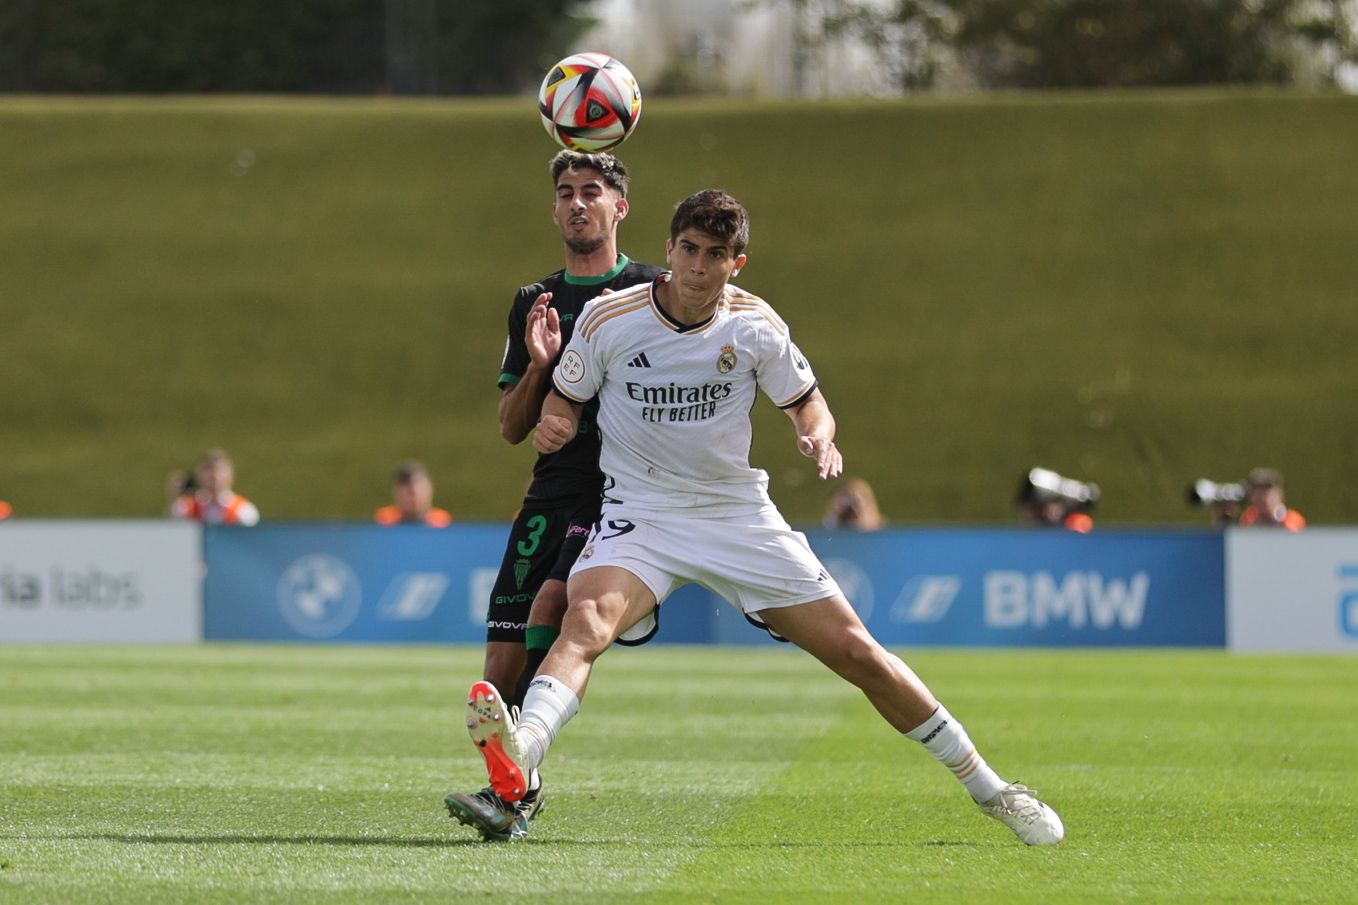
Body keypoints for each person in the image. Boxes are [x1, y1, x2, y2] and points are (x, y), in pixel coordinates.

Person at [455, 190, 1064, 846]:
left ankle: (992, 789)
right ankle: (524, 751)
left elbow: (810, 404)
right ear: (668, 250)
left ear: (736, 262)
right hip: (643, 513)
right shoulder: (610, 319)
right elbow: (566, 403)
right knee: (585, 620)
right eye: (687, 249)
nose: (696, 266)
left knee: (860, 653)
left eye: (714, 255)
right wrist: (553, 421)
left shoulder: (755, 325)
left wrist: (818, 435)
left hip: (735, 515)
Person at [445, 150, 664, 841]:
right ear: (553, 208)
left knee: (552, 603)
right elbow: (512, 427)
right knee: (500, 664)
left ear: (619, 207)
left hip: (620, 493)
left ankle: (511, 785)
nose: (577, 204)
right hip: (549, 493)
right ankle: (517, 788)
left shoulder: (652, 291)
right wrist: (540, 365)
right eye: (566, 193)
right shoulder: (532, 300)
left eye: (591, 192)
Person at [169, 449, 259, 526]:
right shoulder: (186, 508)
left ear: (231, 475)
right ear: (199, 476)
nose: (214, 475)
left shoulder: (243, 510)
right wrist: (175, 497)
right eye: (208, 469)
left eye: (220, 470)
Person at [374, 461, 452, 527]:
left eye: (418, 483)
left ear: (431, 487)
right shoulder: (385, 521)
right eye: (405, 484)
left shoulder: (442, 523)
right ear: (396, 491)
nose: (413, 490)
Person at [1237, 467, 1306, 531]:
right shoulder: (1249, 519)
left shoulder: (1293, 521)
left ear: (1279, 494)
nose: (1260, 497)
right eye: (1256, 492)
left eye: (1265, 492)